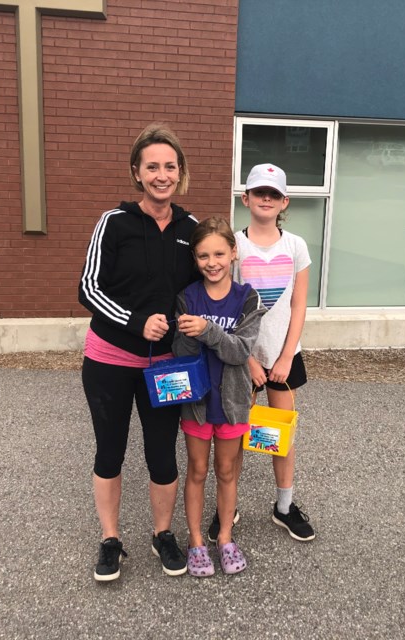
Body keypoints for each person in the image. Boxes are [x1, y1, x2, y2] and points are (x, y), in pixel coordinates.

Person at [77, 123, 200, 582]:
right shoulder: (114, 223)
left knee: (162, 455)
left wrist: (204, 324)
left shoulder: (191, 228)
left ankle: (162, 534)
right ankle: (110, 540)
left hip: (167, 367)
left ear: (180, 172)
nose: (161, 174)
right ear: (137, 171)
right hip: (109, 360)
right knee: (109, 452)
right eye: (152, 166)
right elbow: (87, 288)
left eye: (170, 166)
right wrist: (133, 321)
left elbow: (207, 285)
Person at [208, 163, 317, 543]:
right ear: (246, 198)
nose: (266, 199)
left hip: (285, 355)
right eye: (259, 192)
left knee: (278, 432)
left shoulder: (296, 246)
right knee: (236, 435)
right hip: (240, 357)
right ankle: (227, 506)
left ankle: (284, 506)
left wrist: (285, 356)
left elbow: (300, 305)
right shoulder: (235, 246)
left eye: (273, 193)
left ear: (284, 201)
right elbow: (227, 306)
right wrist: (249, 359)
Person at [172, 217, 266, 577]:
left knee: (227, 471)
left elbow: (240, 352)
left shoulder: (247, 298)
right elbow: (180, 352)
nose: (212, 262)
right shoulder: (187, 297)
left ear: (233, 253)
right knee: (197, 470)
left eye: (219, 254)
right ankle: (196, 542)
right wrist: (184, 333)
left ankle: (225, 536)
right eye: (203, 256)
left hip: (233, 403)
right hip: (196, 403)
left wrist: (207, 329)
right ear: (195, 259)